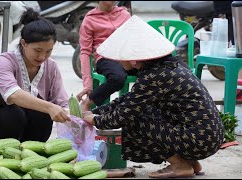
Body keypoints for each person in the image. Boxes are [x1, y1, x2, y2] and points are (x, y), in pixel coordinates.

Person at [82, 15, 224, 178]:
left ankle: (179, 165)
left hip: (199, 139)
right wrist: (98, 111)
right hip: (208, 136)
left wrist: (95, 120)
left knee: (135, 118)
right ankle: (190, 162)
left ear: (135, 57)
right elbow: (128, 100)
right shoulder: (170, 65)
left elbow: (125, 113)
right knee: (144, 110)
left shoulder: (153, 76)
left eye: (122, 56)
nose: (119, 61)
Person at [0, 7, 70, 143]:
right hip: (2, 125)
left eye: (48, 51)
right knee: (14, 113)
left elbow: (62, 101)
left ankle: (32, 151)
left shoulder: (51, 66)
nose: (42, 56)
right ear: (24, 43)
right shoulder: (5, 61)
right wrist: (49, 107)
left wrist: (75, 113)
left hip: (32, 131)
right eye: (37, 50)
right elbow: (12, 94)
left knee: (42, 115)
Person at [77, 1, 132, 111]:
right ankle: (88, 102)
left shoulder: (125, 15)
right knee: (118, 78)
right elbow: (85, 53)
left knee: (154, 70)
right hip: (105, 58)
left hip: (127, 57)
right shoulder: (90, 19)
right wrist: (87, 85)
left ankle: (133, 109)